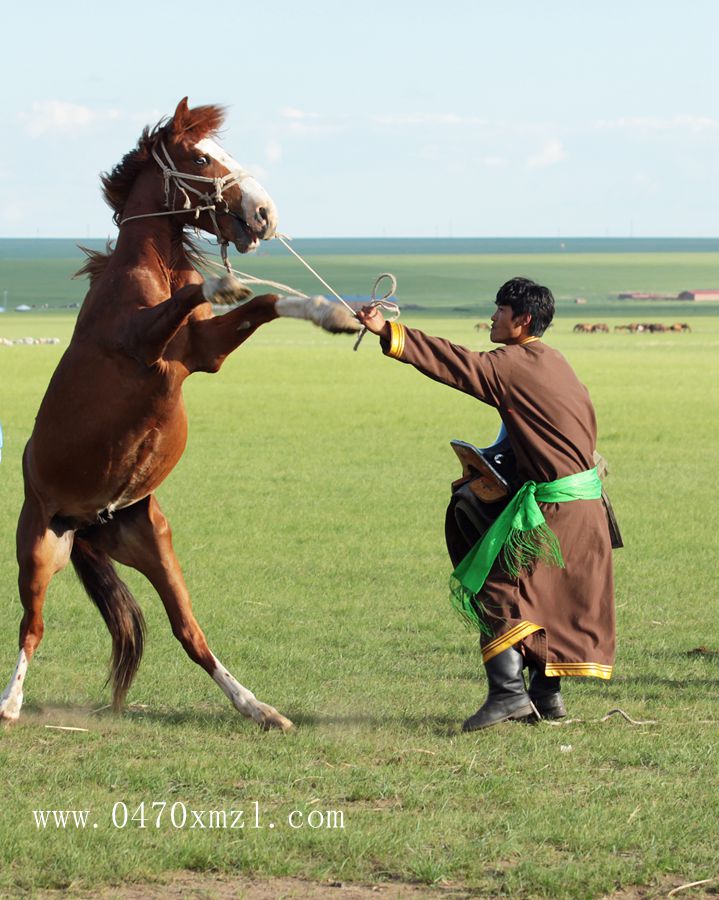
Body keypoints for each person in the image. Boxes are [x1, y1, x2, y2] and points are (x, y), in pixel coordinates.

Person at [356, 277, 615, 732]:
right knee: (549, 600)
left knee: (497, 591)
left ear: (523, 320)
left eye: (501, 310)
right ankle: (545, 697)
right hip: (588, 508)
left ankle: (509, 696)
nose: (493, 317)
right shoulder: (556, 361)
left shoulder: (510, 364)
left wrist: (387, 331)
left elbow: (456, 364)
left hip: (557, 511)